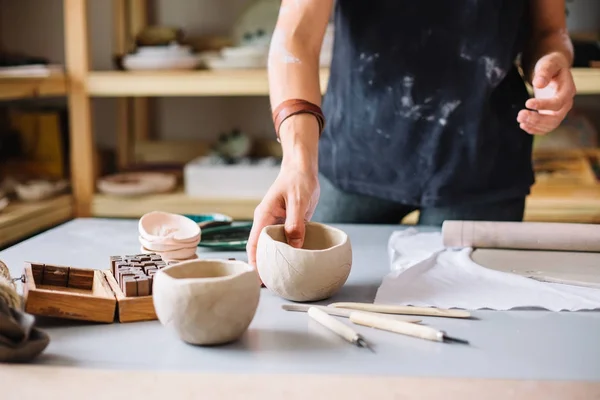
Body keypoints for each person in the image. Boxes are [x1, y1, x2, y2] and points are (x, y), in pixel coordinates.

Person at [246, 0, 576, 266]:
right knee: (318, 289)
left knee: (470, 323)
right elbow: (297, 36)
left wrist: (552, 61)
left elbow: (548, 31)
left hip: (481, 158)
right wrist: (297, 164)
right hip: (357, 151)